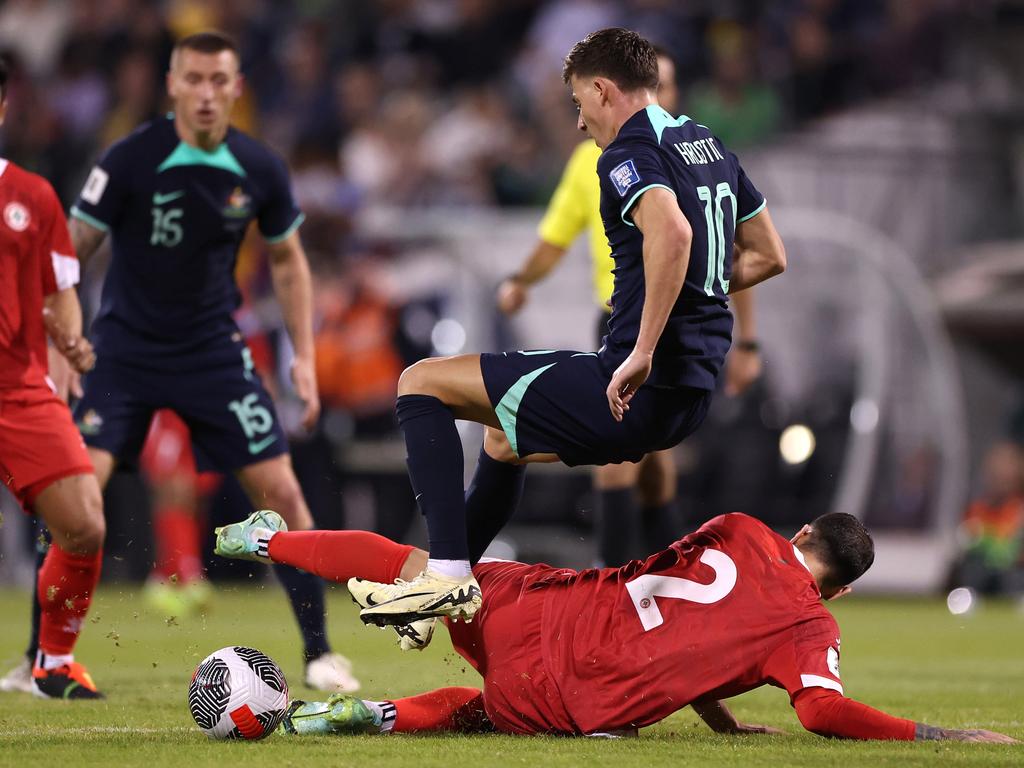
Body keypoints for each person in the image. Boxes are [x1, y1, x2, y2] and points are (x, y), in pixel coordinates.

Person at [353, 28, 787, 628]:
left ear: (604, 90)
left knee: (421, 382)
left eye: (580, 103)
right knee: (504, 438)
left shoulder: (627, 154)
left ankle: (447, 575)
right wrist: (692, 300)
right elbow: (768, 255)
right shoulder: (709, 145)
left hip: (636, 381)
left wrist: (641, 348)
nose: (580, 123)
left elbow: (675, 234)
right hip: (690, 396)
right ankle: (442, 596)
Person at [1, 31, 357, 693]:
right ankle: (37, 660)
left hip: (212, 354)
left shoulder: (259, 166)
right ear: (172, 84)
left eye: (218, 80)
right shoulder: (131, 158)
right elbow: (69, 251)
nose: (205, 93)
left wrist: (303, 356)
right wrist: (59, 339)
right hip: (124, 352)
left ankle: (320, 653)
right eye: (193, 79)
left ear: (236, 87)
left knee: (282, 495)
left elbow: (288, 261)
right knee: (71, 498)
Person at [212, 508, 1016, 743]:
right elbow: (822, 711)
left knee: (419, 565)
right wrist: (931, 737)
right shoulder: (808, 631)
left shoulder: (741, 527)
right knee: (500, 713)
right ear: (837, 594)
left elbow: (689, 607)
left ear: (800, 532)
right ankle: (367, 717)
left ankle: (265, 539)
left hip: (545, 608)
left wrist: (721, 713)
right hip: (574, 706)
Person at [497, 47, 763, 567]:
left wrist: (749, 342)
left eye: (670, 80)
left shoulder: (683, 153)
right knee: (638, 462)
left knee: (631, 460)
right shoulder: (597, 159)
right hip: (626, 317)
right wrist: (521, 279)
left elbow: (719, 253)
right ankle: (662, 578)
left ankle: (620, 581)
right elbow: (555, 239)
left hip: (663, 324)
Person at [0, 57, 107, 699]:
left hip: (17, 387)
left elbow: (60, 290)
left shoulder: (32, 196)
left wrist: (68, 349)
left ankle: (53, 662)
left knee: (85, 522)